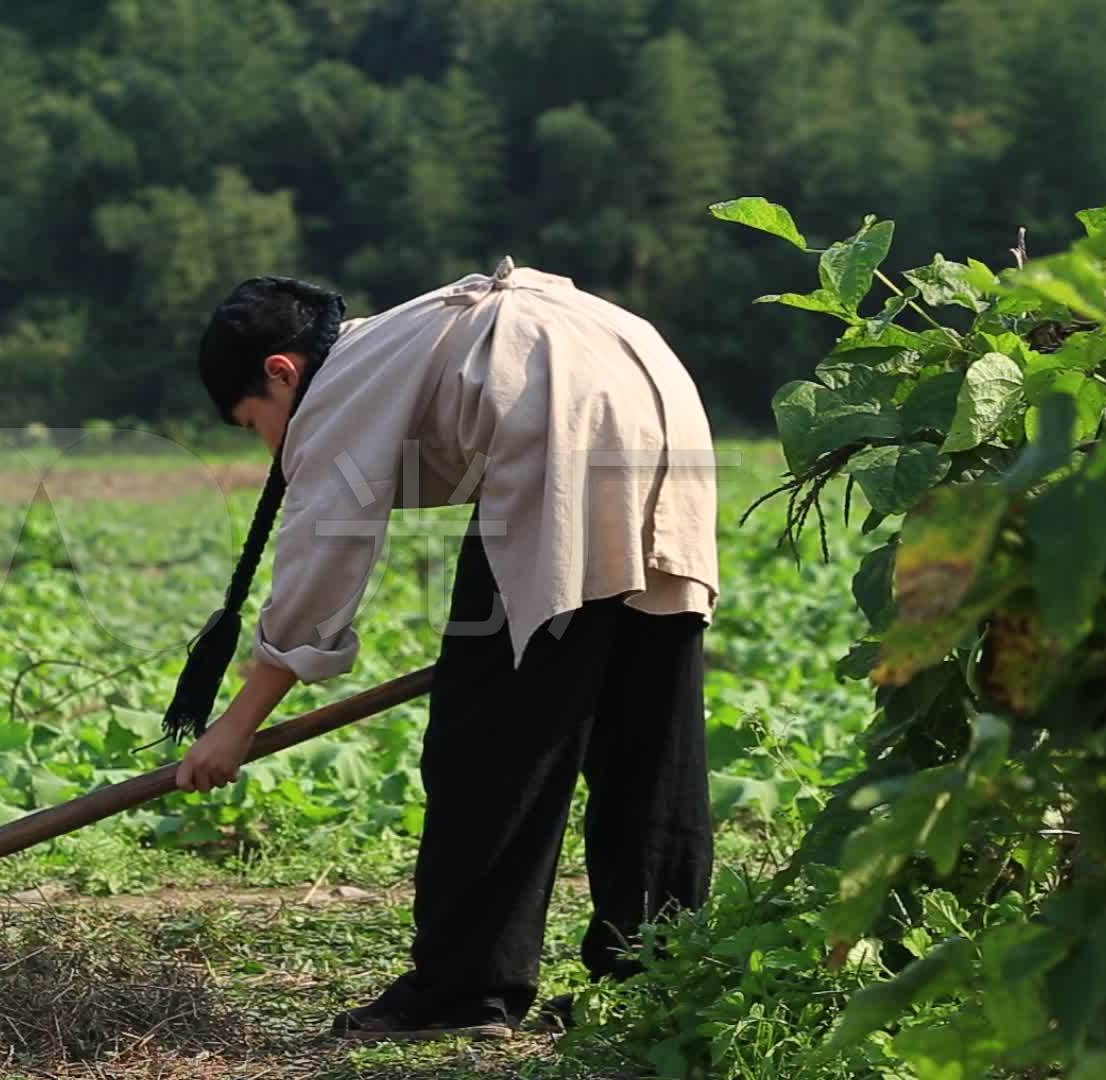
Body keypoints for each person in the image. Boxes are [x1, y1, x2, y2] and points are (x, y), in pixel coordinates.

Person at [164, 258, 719, 1041]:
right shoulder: (394, 345)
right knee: (648, 735)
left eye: (254, 423)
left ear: (281, 374)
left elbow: (321, 568)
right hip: (661, 402)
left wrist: (237, 725)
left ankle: (464, 991)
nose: (267, 451)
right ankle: (662, 978)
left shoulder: (339, 387)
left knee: (487, 743)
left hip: (561, 432)